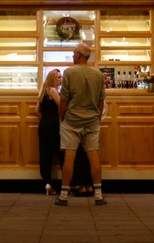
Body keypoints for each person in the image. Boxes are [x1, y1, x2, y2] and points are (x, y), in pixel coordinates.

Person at [54, 43, 106, 207]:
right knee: (93, 155)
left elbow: (64, 99)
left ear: (78, 55)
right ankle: (98, 195)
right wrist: (96, 118)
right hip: (91, 120)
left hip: (72, 120)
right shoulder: (98, 74)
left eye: (73, 54)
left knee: (70, 155)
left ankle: (63, 196)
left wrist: (61, 117)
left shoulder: (69, 72)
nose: (72, 56)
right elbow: (101, 100)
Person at [34, 69, 65, 195]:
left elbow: (37, 110)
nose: (61, 79)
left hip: (43, 126)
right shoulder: (53, 90)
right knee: (62, 153)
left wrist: (44, 120)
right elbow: (60, 105)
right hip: (54, 126)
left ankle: (47, 183)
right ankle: (67, 184)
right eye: (58, 77)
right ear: (53, 78)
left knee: (45, 156)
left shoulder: (43, 92)